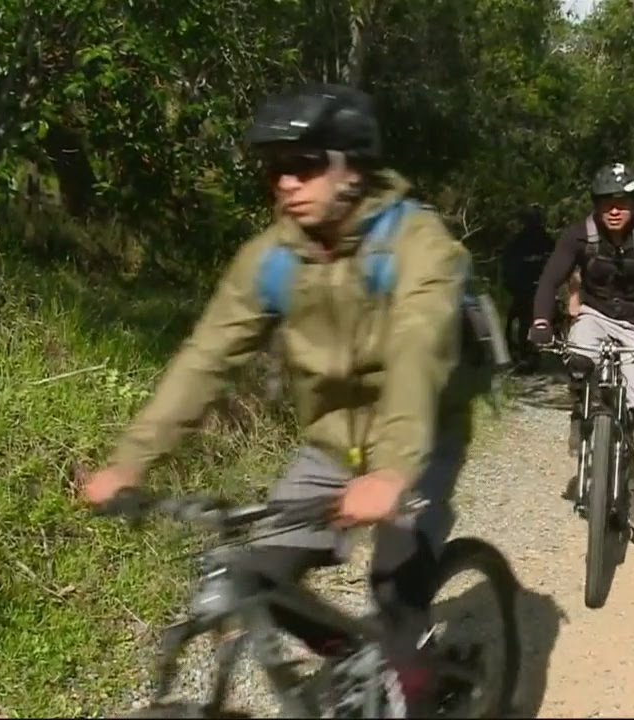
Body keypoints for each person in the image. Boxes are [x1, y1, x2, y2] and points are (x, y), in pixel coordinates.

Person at [80, 83, 479, 717]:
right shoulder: (271, 259)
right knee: (256, 575)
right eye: (276, 169)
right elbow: (206, 359)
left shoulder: (417, 244)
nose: (286, 183)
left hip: (419, 435)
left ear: (352, 168)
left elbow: (416, 351)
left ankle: (411, 681)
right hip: (330, 445)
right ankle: (356, 658)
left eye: (305, 165)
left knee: (395, 586)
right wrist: (130, 462)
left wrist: (391, 471)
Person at [527, 162, 634, 545]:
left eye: (622, 202)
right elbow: (550, 277)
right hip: (596, 316)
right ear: (596, 205)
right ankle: (582, 411)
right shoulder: (579, 235)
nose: (614, 210)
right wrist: (539, 321)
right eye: (606, 203)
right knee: (580, 355)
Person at [501, 205, 554, 371]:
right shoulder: (521, 242)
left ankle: (529, 352)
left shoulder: (545, 241)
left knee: (525, 318)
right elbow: (508, 265)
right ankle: (524, 353)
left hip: (538, 287)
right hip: (524, 287)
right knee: (520, 319)